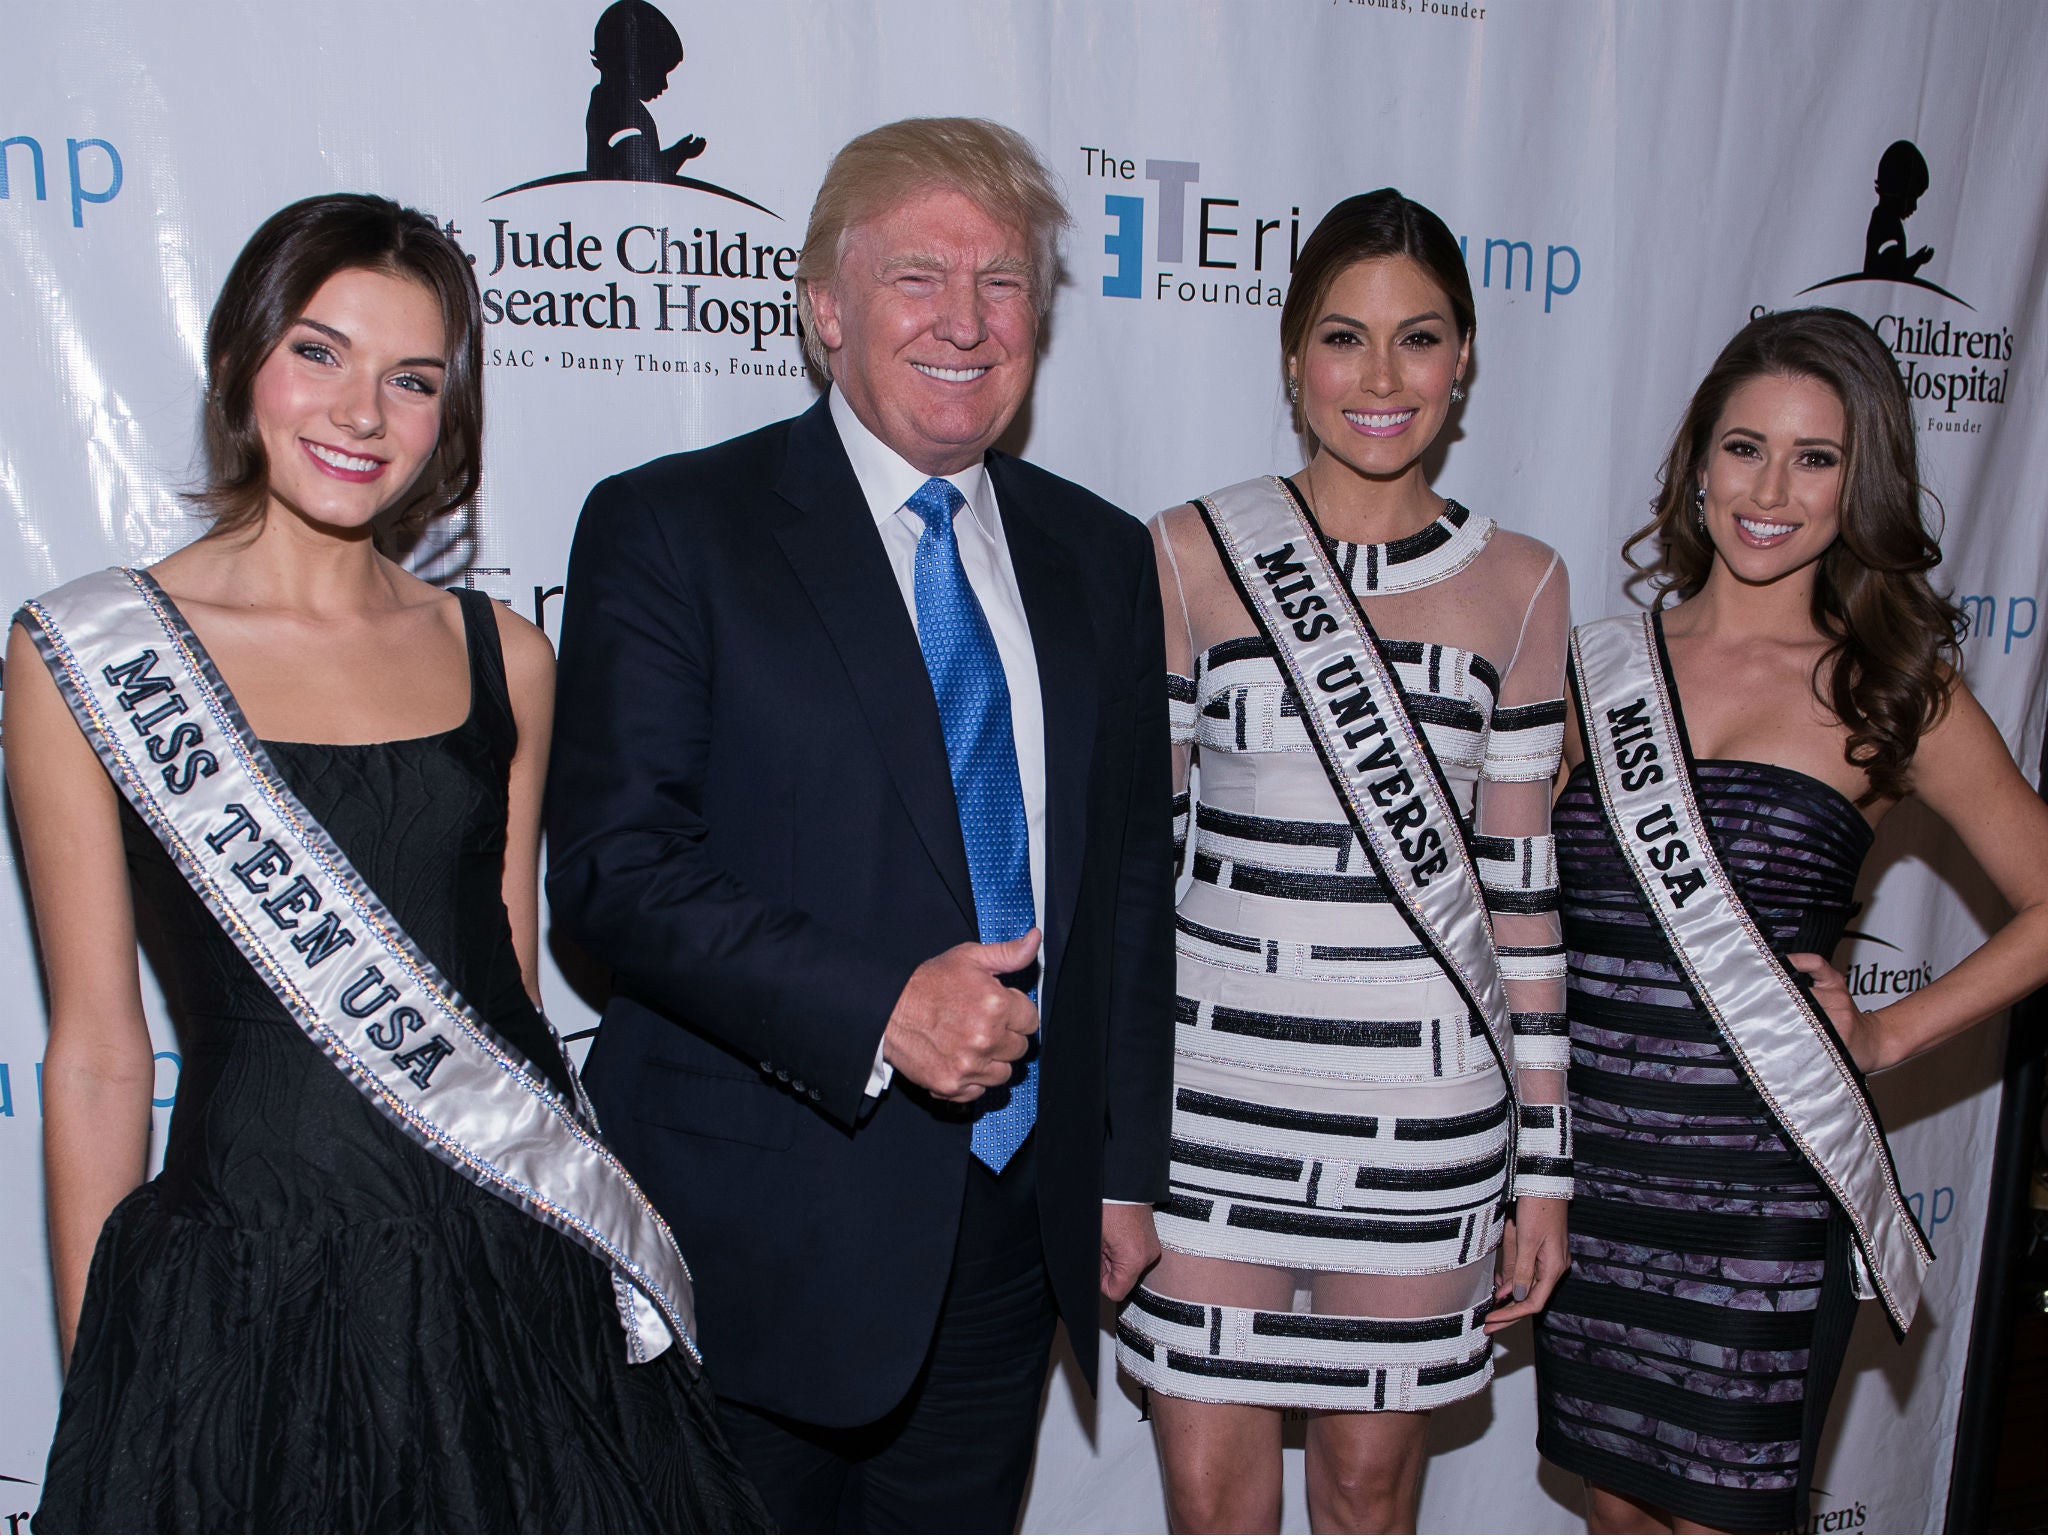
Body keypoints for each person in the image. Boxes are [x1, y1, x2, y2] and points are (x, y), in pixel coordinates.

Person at [9, 193, 769, 1533]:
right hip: (246, 1293)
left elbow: (514, 1003)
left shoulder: (505, 658)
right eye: (321, 353)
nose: (363, 412)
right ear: (245, 363)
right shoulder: (85, 656)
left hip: (503, 1274)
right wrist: (109, 1381)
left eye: (412, 379)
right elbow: (97, 1055)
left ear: (448, 414)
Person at [545, 116, 1175, 1533]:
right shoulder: (673, 528)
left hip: (1009, 1244)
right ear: (825, 307)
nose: (966, 319)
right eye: (917, 278)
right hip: (752, 1234)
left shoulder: (1100, 554)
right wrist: (875, 1007)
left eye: (1003, 281)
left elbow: (1128, 888)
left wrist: (1120, 1171)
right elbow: (611, 873)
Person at [1531, 307, 2048, 1535]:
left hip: (1758, 1193)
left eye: (1814, 458)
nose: (1771, 489)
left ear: (1855, 483)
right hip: (1592, 1182)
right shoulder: (1588, 667)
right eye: (1743, 447)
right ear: (1695, 463)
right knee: (1615, 1518)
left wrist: (1887, 1036)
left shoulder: (1891, 687)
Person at [1117, 188, 1573, 1533]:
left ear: (1465, 360)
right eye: (1343, 337)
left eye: (1419, 339)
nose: (1381, 380)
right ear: (1292, 355)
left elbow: (1526, 907)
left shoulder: (1525, 585)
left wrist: (1542, 1169)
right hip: (1213, 1112)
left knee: (1372, 1498)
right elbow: (1144, 873)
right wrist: (1115, 1145)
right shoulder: (1192, 552)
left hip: (1421, 1121)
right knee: (1210, 1501)